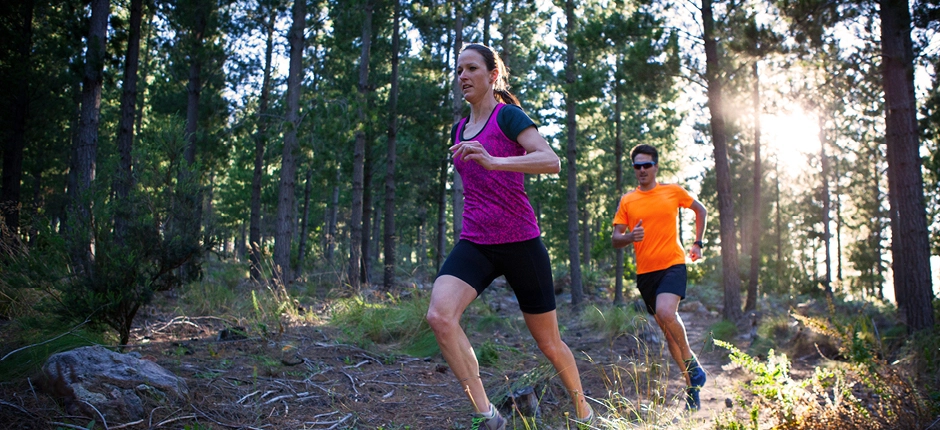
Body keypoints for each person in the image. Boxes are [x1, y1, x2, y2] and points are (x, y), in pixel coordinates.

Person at [425, 43, 594, 430]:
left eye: (471, 69)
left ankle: (585, 414)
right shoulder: (459, 128)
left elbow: (551, 161)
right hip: (477, 241)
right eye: (459, 71)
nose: (463, 76)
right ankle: (487, 416)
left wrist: (493, 159)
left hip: (520, 243)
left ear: (492, 76)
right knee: (440, 315)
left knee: (549, 343)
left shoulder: (510, 118)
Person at [610, 144, 708, 411]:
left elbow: (700, 210)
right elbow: (615, 239)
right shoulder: (628, 201)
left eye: (646, 165)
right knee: (669, 335)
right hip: (646, 274)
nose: (641, 170)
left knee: (667, 312)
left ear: (655, 166)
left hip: (673, 265)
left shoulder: (672, 191)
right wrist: (630, 237)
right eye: (637, 166)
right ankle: (692, 388)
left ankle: (692, 364)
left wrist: (698, 243)